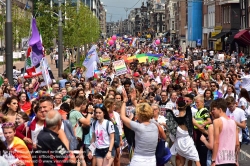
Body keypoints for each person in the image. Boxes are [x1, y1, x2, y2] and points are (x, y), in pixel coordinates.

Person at [120, 97, 161, 166]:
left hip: (138, 161)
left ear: (139, 115)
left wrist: (124, 101)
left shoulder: (138, 127)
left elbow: (123, 116)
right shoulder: (156, 124)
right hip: (152, 161)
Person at [168, 97, 201, 166]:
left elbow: (171, 133)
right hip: (188, 142)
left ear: (177, 107)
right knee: (197, 160)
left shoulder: (174, 119)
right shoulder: (188, 116)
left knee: (182, 162)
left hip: (179, 143)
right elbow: (189, 107)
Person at [210, 98, 239, 166]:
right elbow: (237, 144)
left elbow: (216, 142)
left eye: (214, 109)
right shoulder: (233, 122)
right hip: (231, 160)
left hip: (220, 160)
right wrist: (236, 159)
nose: (212, 111)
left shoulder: (217, 121)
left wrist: (213, 160)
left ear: (220, 109)